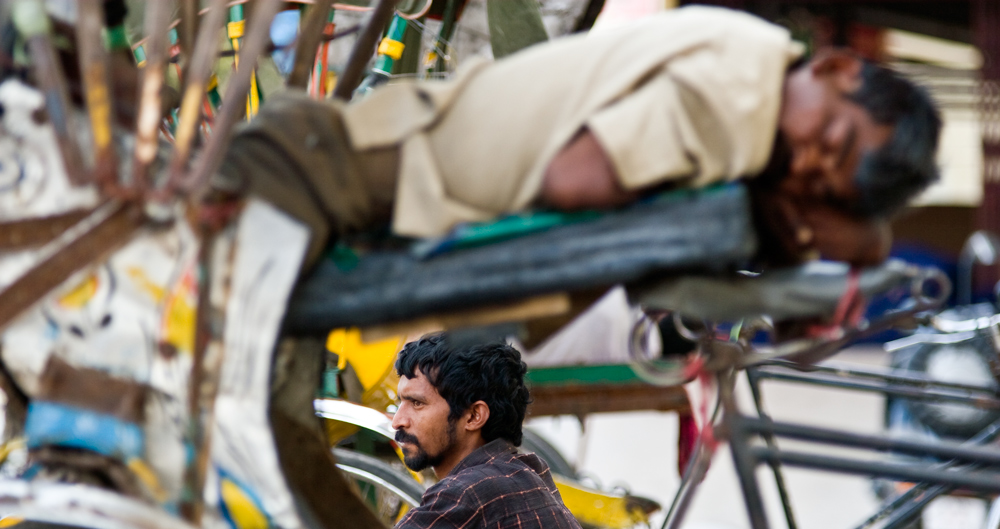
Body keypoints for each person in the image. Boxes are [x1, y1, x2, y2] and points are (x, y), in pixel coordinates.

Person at [220, 4, 940, 269]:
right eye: (833, 140)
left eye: (825, 179)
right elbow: (577, 181)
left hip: (367, 177)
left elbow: (863, 242)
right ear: (837, 68)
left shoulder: (751, 72)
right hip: (348, 175)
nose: (809, 161)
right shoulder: (741, 94)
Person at [390, 333, 616, 529]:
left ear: (473, 416)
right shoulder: (520, 474)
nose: (397, 420)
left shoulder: (472, 494)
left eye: (416, 403)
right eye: (399, 402)